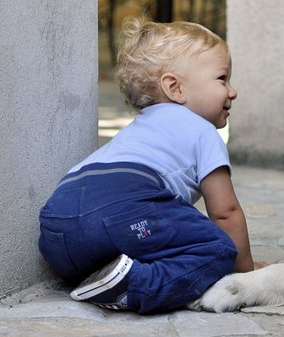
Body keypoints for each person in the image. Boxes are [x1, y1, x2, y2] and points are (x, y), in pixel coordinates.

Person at [38, 18, 256, 314]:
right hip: (122, 204)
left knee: (156, 233)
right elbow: (225, 212)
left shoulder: (138, 129)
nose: (232, 91)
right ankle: (135, 286)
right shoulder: (203, 130)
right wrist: (245, 273)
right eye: (222, 79)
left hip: (57, 224)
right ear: (174, 88)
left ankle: (107, 275)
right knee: (217, 250)